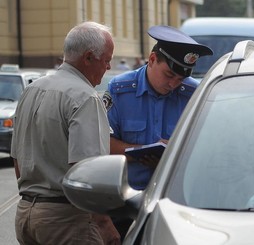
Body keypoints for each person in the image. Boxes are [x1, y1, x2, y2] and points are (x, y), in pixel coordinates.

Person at [11, 21, 120, 245]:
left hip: (26, 214)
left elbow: (17, 160)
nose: (108, 67)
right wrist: (104, 224)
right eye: (107, 60)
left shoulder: (31, 90)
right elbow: (89, 174)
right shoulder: (85, 97)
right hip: (66, 220)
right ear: (88, 57)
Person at [104, 25, 212, 239]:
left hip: (176, 205)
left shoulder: (194, 93)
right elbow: (101, 143)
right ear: (152, 60)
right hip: (125, 203)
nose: (173, 84)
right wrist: (139, 151)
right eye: (169, 74)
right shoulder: (120, 89)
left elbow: (207, 149)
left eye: (180, 79)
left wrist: (171, 159)